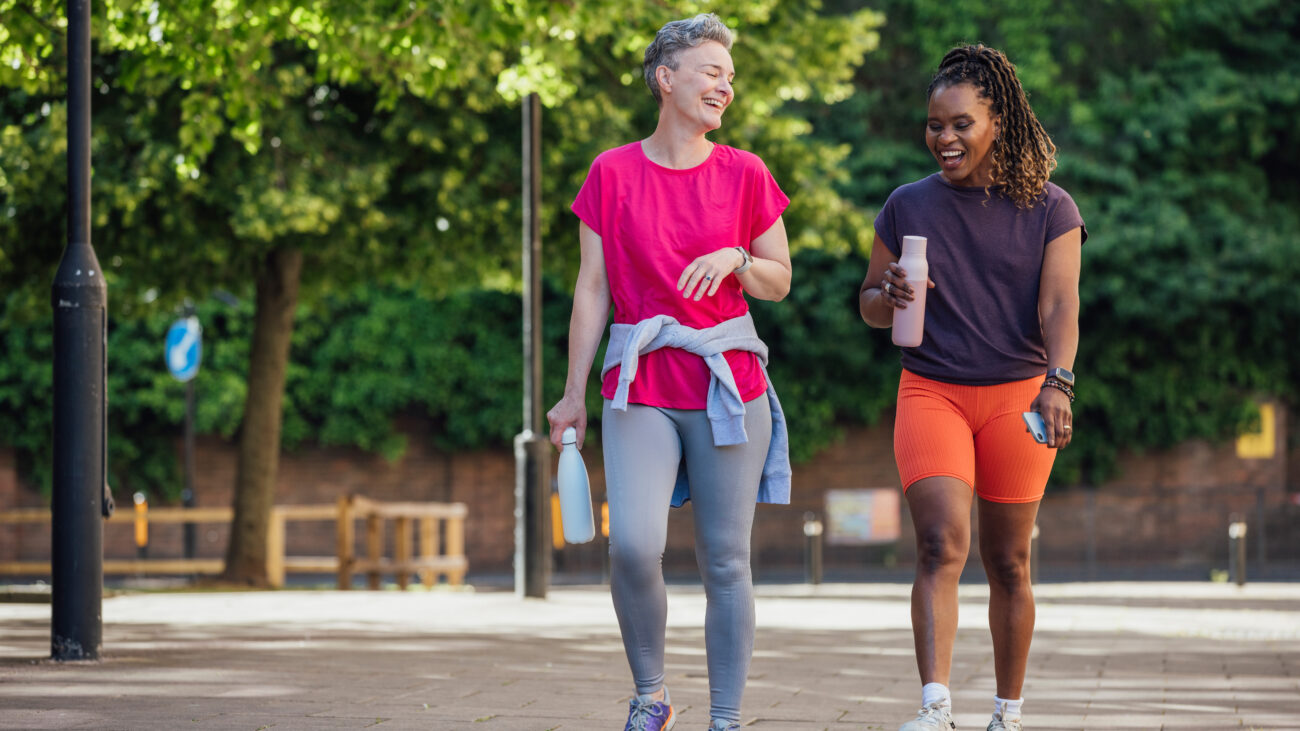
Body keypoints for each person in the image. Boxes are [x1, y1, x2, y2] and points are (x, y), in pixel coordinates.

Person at [546, 13, 793, 731]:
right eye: (712, 71)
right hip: (640, 376)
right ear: (667, 78)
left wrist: (740, 259)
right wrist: (571, 395)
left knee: (725, 559)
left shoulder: (746, 172)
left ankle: (725, 718)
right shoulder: (610, 172)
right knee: (631, 544)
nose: (725, 86)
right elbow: (592, 288)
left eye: (731, 77)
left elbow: (780, 279)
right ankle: (651, 695)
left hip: (727, 381)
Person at [858, 44, 1085, 731]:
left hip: (1020, 395)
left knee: (1009, 559)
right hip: (933, 390)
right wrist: (886, 293)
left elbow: (1060, 306)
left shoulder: (1051, 206)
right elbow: (869, 302)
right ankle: (935, 706)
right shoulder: (907, 205)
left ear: (998, 120)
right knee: (938, 543)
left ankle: (1007, 713)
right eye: (934, 125)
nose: (944, 138)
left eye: (960, 123)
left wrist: (1059, 382)